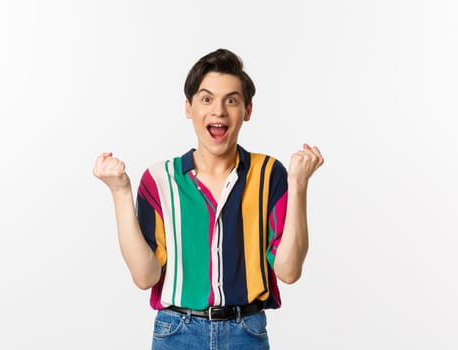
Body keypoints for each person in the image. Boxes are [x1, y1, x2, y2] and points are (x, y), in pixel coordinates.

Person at [93, 48, 324, 350]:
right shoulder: (160, 179)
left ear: (248, 110)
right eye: (206, 99)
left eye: (231, 100)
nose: (219, 111)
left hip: (247, 333)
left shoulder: (271, 175)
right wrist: (120, 191)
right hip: (177, 333)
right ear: (189, 108)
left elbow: (289, 270)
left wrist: (299, 184)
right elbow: (145, 275)